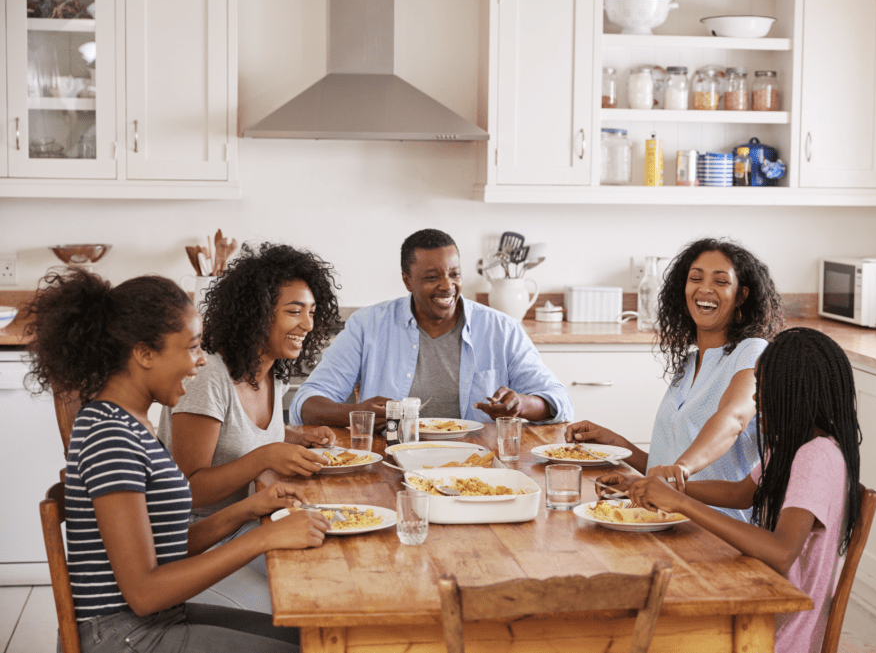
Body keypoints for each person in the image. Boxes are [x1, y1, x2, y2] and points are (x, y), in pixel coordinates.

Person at [25, 268, 328, 653]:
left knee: (313, 638)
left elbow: (166, 546)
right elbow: (144, 593)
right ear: (144, 354)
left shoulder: (133, 423)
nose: (201, 361)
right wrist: (264, 538)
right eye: (191, 347)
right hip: (125, 636)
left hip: (157, 620)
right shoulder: (110, 435)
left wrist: (250, 510)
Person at [610, 327, 862, 652]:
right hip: (760, 600)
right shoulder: (792, 445)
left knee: (647, 631)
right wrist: (662, 486)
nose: (756, 397)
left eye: (764, 385)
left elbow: (782, 552)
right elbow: (740, 493)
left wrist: (681, 503)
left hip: (778, 632)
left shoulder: (816, 457)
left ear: (796, 392)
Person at [155, 242, 341, 613]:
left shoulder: (273, 373)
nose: (307, 324)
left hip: (249, 526)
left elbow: (236, 431)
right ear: (257, 314)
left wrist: (293, 435)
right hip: (196, 546)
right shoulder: (210, 377)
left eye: (312, 312)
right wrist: (266, 457)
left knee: (334, 574)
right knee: (307, 609)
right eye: (294, 311)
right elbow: (188, 489)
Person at [566, 237, 783, 521]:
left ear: (741, 296)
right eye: (695, 278)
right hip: (668, 519)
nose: (705, 288)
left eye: (720, 281)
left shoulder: (752, 352)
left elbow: (734, 418)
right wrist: (616, 443)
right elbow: (665, 471)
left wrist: (681, 468)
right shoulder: (689, 364)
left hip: (717, 530)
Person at [290, 228, 572, 427]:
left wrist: (521, 404)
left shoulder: (501, 329)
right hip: (391, 462)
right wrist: (355, 413)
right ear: (407, 280)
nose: (447, 286)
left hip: (480, 465)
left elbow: (559, 401)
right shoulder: (367, 326)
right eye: (431, 277)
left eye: (454, 274)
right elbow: (304, 404)